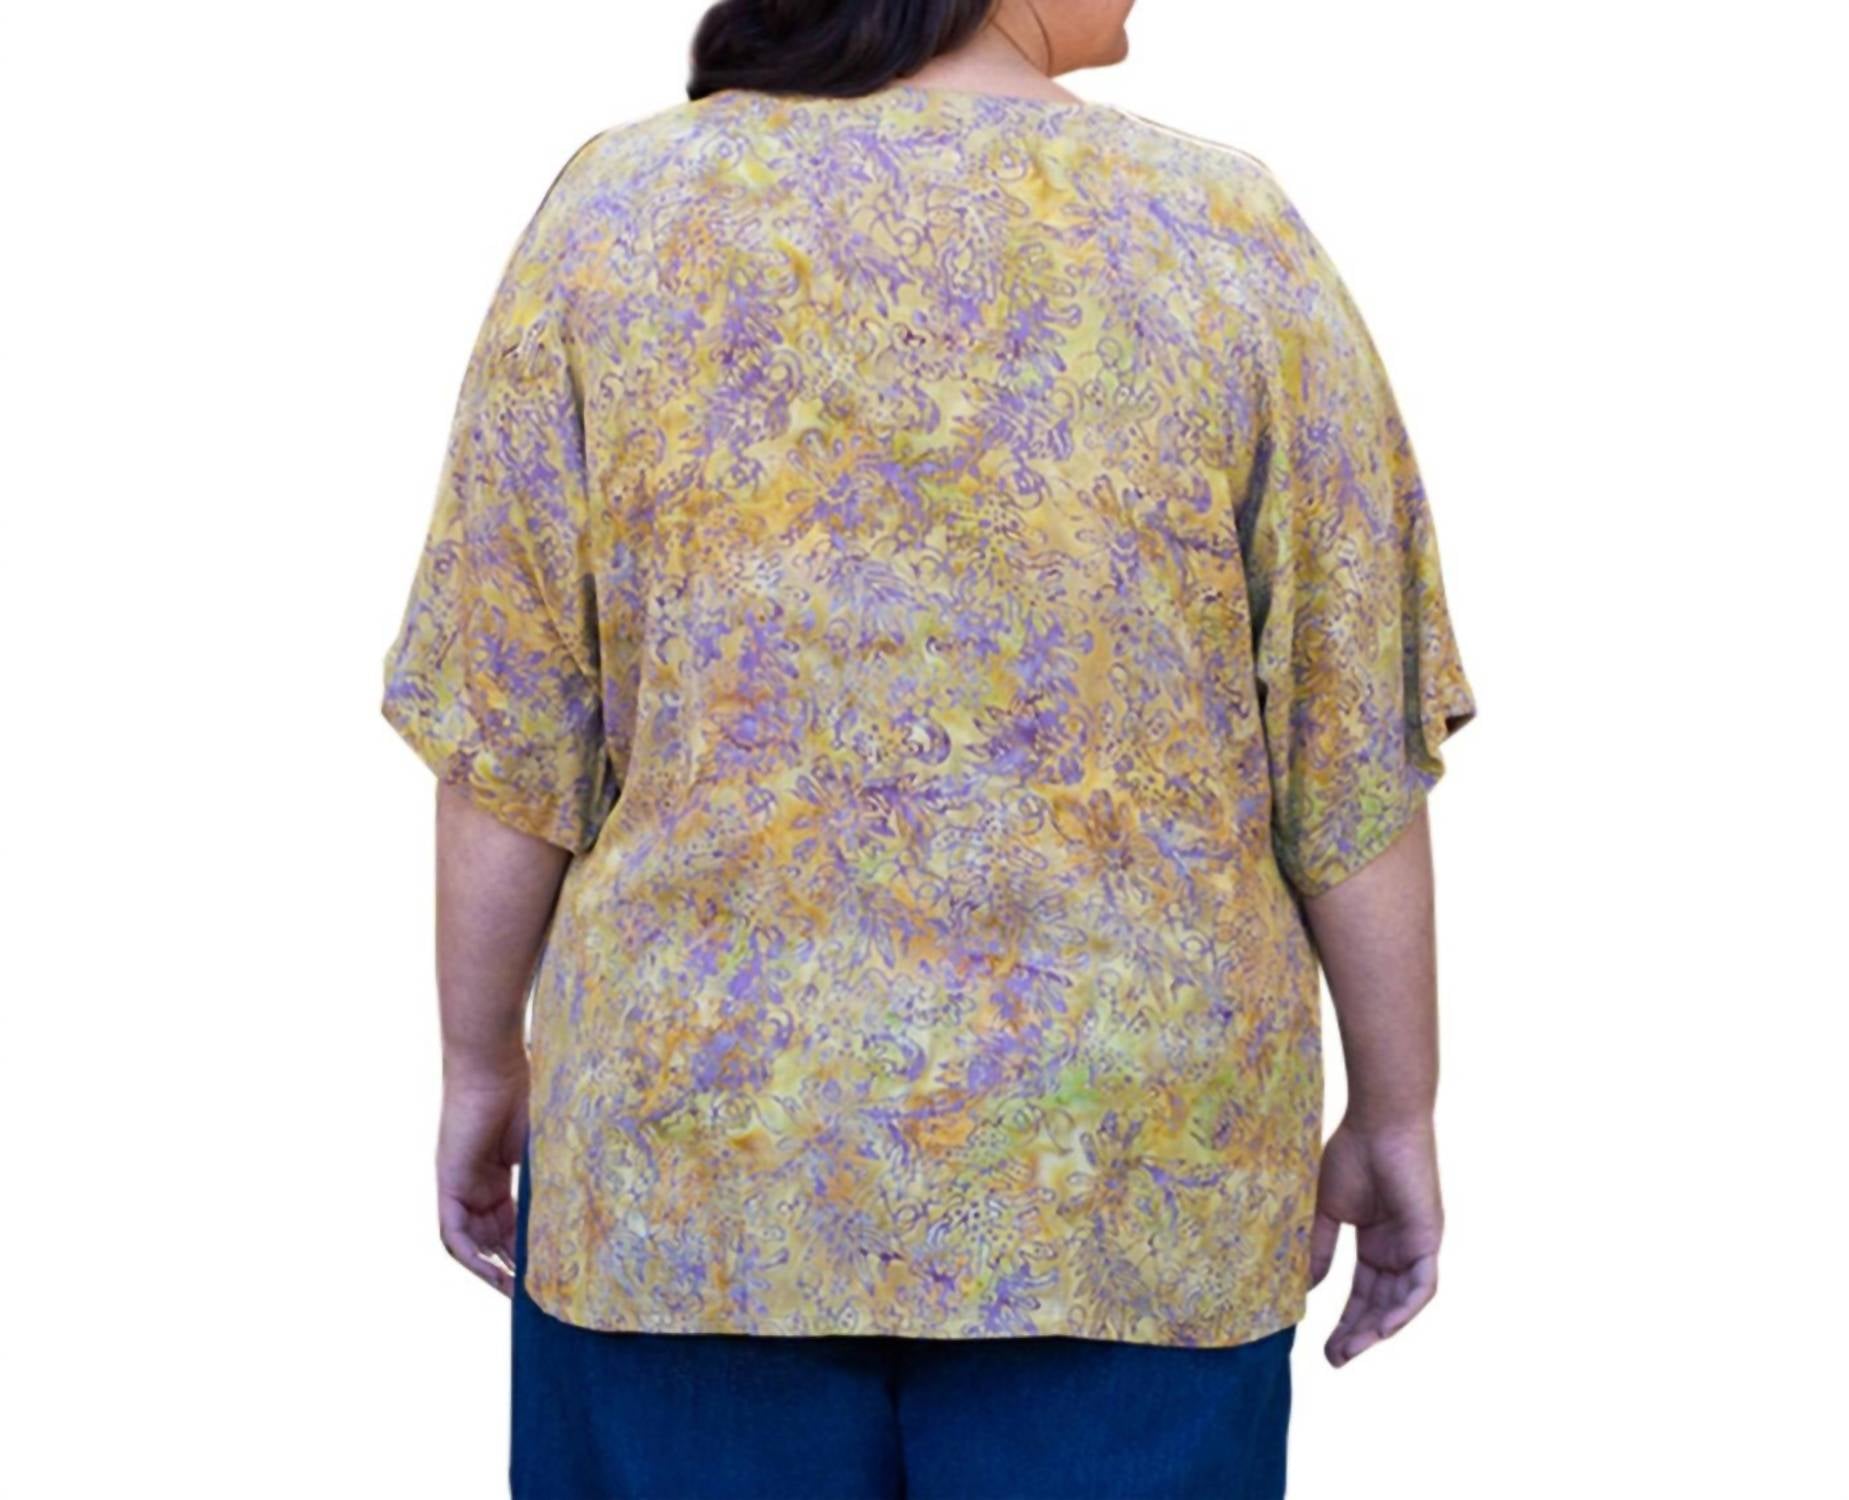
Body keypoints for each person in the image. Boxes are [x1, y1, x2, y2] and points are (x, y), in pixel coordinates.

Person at [378, 0, 1478, 1494]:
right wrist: (1396, 1109)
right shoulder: (1223, 235)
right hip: (1127, 1195)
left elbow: (510, 726)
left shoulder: (618, 219)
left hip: (695, 1180)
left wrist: (477, 1063)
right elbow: (1347, 747)